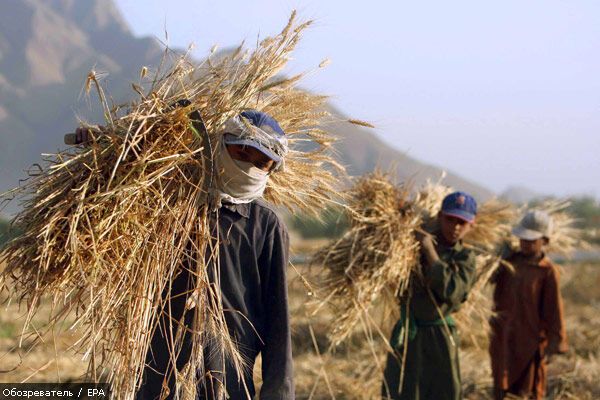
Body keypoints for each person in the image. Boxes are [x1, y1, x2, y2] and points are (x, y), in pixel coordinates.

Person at [67, 110, 295, 400]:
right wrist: (107, 151)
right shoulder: (168, 204)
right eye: (242, 152)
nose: (249, 166)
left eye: (261, 162)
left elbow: (278, 322)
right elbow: (102, 219)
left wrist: (279, 393)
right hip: (156, 376)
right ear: (221, 144)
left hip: (226, 382)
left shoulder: (265, 225)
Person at [382, 191, 478, 400]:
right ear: (440, 217)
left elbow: (453, 292)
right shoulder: (412, 245)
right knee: (402, 389)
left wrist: (429, 252)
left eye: (462, 222)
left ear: (472, 225)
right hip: (409, 331)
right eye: (450, 219)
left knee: (442, 391)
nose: (455, 227)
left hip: (440, 335)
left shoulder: (465, 258)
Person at [490, 210, 568, 400]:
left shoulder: (547, 271)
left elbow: (554, 309)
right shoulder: (509, 263)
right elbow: (489, 278)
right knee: (501, 387)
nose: (525, 243)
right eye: (523, 239)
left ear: (545, 241)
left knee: (528, 391)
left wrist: (554, 342)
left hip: (530, 344)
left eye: (531, 240)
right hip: (504, 340)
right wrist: (495, 257)